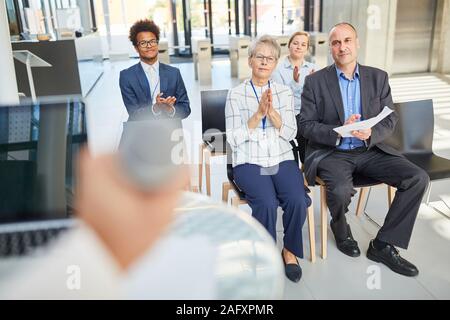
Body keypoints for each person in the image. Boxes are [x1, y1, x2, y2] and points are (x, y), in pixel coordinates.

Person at [299, 22, 429, 277]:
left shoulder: (378, 77)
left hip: (370, 149)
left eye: (347, 40)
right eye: (336, 42)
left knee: (417, 178)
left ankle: (383, 244)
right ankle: (340, 226)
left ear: (357, 43)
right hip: (333, 152)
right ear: (331, 48)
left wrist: (371, 132)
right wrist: (338, 130)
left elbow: (389, 119)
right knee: (340, 190)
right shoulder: (314, 82)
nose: (342, 47)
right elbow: (305, 125)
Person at [226, 35, 311, 283]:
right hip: (249, 160)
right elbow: (233, 138)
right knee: (265, 203)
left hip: (281, 157)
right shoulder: (236, 94)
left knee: (297, 199)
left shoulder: (283, 93)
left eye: (270, 58)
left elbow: (291, 133)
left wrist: (271, 113)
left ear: (275, 63)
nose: (265, 62)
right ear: (250, 60)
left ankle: (290, 250)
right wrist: (256, 115)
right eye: (259, 56)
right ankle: (264, 254)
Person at [119, 19, 191, 121]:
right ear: (136, 47)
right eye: (143, 43)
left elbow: (186, 108)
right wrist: (155, 108)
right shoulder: (127, 76)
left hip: (169, 131)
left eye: (152, 41)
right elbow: (133, 113)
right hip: (140, 132)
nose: (149, 46)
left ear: (157, 44)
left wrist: (170, 110)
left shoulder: (174, 73)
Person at [272, 31, 318, 162]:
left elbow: (317, 97)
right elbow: (282, 98)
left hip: (308, 115)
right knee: (306, 129)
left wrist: (313, 87)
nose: (299, 47)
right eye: (295, 43)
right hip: (288, 116)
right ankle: (298, 169)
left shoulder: (313, 68)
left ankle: (310, 168)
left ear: (307, 49)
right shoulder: (278, 69)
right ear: (289, 45)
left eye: (303, 44)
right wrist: (295, 83)